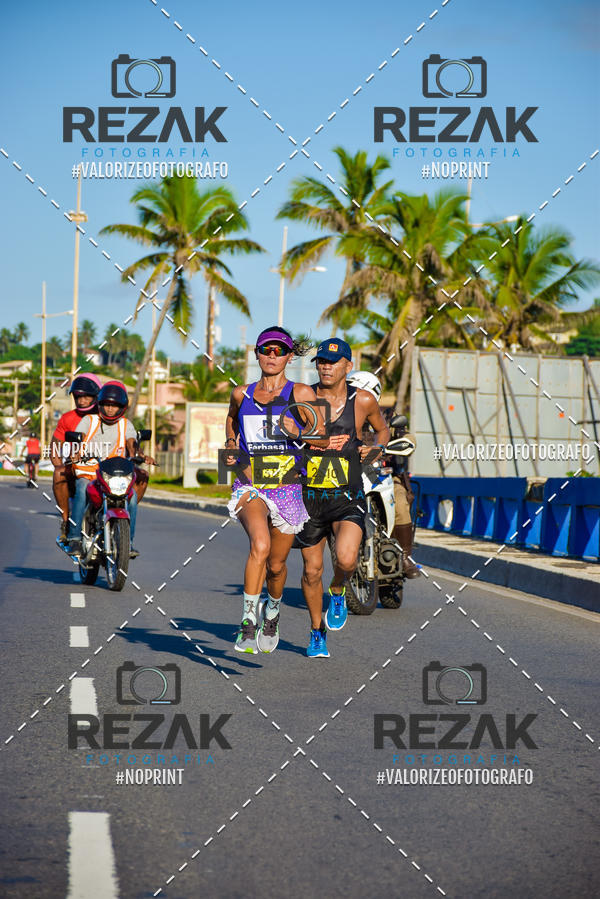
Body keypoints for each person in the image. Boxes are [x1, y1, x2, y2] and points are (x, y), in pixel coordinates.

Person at [225, 326, 325, 655]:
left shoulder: (302, 393)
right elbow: (231, 419)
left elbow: (323, 438)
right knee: (260, 544)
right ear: (256, 354)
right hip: (251, 484)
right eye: (265, 350)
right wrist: (231, 442)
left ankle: (272, 611)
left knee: (277, 566)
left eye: (279, 351)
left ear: (289, 357)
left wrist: (298, 431)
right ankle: (247, 622)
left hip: (287, 488)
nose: (272, 356)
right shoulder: (241, 394)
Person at [296, 339, 390, 658]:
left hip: (347, 493)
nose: (326, 367)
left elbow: (382, 431)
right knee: (311, 571)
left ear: (348, 366)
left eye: (333, 362)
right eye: (321, 361)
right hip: (309, 495)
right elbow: (285, 432)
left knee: (347, 559)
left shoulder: (362, 400)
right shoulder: (303, 396)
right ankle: (316, 631)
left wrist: (376, 449)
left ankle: (337, 589)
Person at [68, 381, 155, 558]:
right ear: (100, 404)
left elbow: (132, 443)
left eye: (114, 405)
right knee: (82, 487)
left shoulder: (126, 424)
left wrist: (140, 455)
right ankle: (74, 538)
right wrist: (76, 453)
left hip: (114, 472)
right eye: (107, 404)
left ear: (122, 407)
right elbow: (80, 437)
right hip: (90, 469)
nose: (109, 409)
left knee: (132, 498)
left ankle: (128, 543)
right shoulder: (89, 420)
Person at [51, 373, 103, 544]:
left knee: (140, 477)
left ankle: (123, 527)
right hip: (76, 467)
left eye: (86, 396)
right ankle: (66, 522)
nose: (81, 400)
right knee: (58, 474)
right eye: (78, 396)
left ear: (96, 396)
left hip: (103, 469)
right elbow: (54, 447)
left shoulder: (107, 416)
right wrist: (60, 465)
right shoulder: (67, 418)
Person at [385, 411, 420, 578]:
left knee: (399, 503)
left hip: (388, 479)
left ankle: (405, 557)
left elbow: (408, 440)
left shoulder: (387, 417)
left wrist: (406, 441)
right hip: (355, 480)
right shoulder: (349, 415)